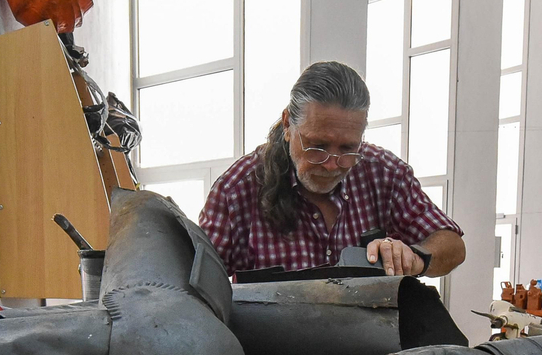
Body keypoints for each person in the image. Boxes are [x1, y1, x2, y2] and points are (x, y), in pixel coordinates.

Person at [199, 61, 466, 278]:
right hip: (268, 331)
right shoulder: (236, 190)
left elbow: (453, 245)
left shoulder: (384, 173)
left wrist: (415, 258)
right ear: (287, 125)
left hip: (371, 329)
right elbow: (197, 287)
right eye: (317, 146)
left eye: (348, 148)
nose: (332, 164)